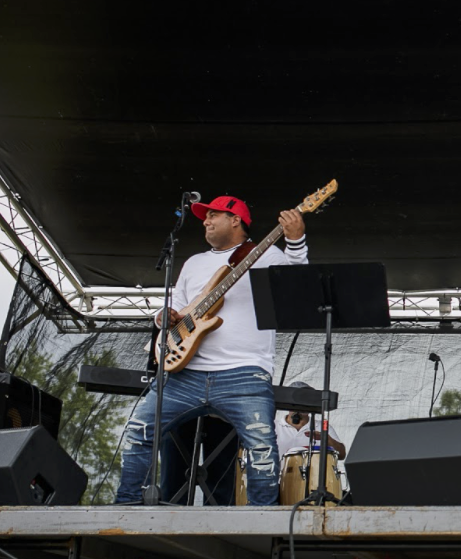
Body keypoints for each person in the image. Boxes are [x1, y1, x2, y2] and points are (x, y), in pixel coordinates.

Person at [115, 195, 308, 505]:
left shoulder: (267, 254)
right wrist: (165, 315)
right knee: (139, 431)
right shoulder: (194, 262)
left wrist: (296, 241)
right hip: (185, 373)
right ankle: (124, 507)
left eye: (213, 215)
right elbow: (178, 303)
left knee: (261, 449)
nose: (205, 220)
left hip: (244, 372)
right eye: (205, 216)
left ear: (236, 220)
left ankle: (262, 526)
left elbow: (301, 288)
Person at [275, 382, 347, 459]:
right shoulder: (273, 426)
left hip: (314, 470)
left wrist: (327, 439)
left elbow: (341, 455)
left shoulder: (321, 426)